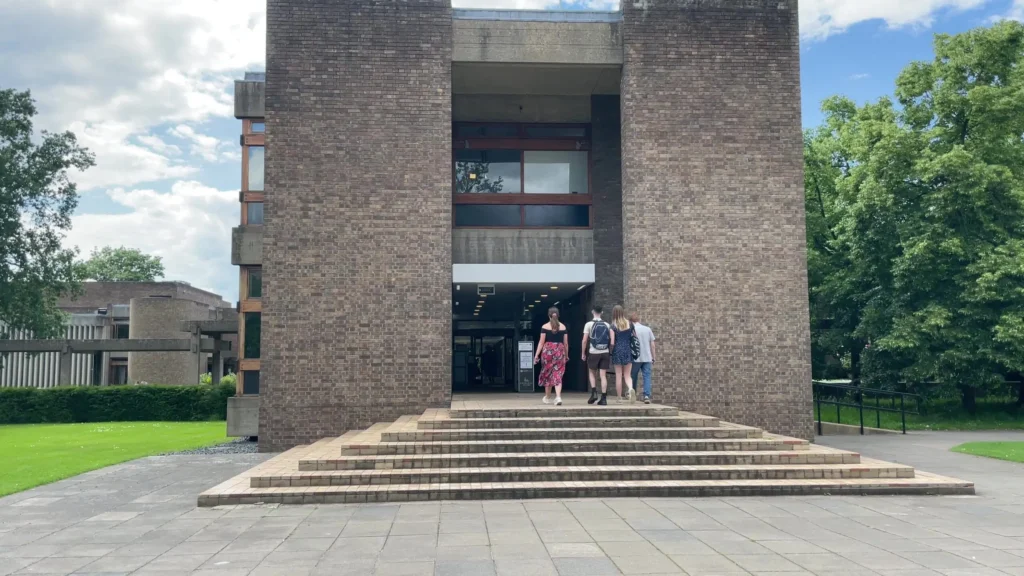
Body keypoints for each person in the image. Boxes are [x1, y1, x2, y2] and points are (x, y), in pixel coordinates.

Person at [534, 307, 568, 405]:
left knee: (547, 372)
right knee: (558, 374)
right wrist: (566, 355)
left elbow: (541, 342)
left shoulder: (545, 326)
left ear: (549, 315)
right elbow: (565, 343)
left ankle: (548, 397)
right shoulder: (563, 327)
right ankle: (558, 397)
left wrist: (536, 355)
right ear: (558, 315)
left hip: (547, 351)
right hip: (560, 351)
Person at [582, 305, 613, 406]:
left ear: (592, 312)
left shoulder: (589, 324)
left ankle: (594, 393)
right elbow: (611, 340)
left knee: (592, 373)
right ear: (602, 313)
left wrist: (583, 353)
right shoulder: (607, 325)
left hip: (593, 352)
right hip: (605, 352)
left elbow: (584, 340)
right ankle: (603, 398)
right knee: (603, 375)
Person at [610, 305, 636, 403]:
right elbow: (634, 337)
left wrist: (610, 351)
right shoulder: (630, 324)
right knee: (627, 375)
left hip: (617, 350)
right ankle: (630, 389)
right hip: (628, 349)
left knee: (618, 375)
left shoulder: (613, 326)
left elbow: (612, 342)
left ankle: (619, 398)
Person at [629, 312, 656, 404]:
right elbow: (652, 345)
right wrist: (653, 357)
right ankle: (646, 396)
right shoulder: (647, 329)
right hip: (647, 357)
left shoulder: (631, 330)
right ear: (639, 320)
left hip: (635, 358)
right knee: (647, 377)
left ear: (630, 321)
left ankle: (633, 393)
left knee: (633, 376)